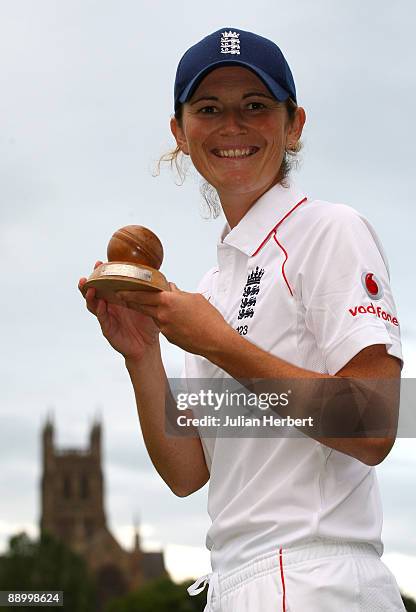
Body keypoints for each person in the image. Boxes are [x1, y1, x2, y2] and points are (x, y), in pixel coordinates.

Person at [79, 27, 406, 612]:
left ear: (293, 123)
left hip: (313, 576)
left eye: (255, 106)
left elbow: (376, 421)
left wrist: (220, 343)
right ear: (180, 132)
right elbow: (189, 472)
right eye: (209, 109)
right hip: (234, 579)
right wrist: (143, 353)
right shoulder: (214, 285)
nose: (232, 125)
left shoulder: (328, 229)